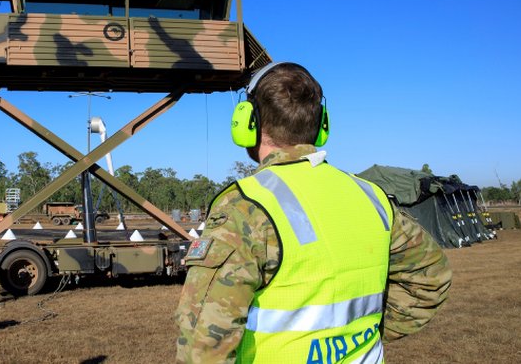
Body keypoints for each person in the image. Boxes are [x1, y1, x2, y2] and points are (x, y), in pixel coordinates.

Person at [175, 62, 452, 363]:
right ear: (323, 125)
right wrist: (367, 332)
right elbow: (431, 278)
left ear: (247, 123)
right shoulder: (371, 197)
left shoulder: (245, 207)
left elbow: (202, 343)